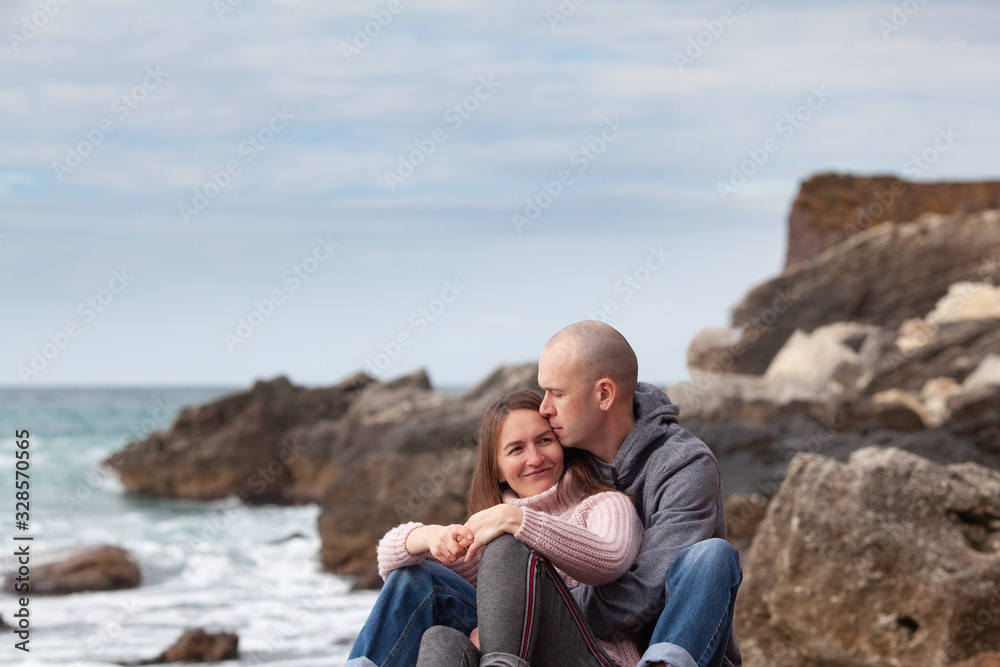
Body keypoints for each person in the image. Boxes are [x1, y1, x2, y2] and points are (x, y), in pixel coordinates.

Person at [346, 390, 645, 667]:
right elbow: (391, 563)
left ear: (562, 446)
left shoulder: (604, 504)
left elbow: (611, 558)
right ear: (497, 470)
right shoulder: (493, 523)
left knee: (507, 546)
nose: (535, 458)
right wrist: (428, 535)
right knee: (439, 635)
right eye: (516, 449)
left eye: (544, 441)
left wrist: (516, 520)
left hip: (593, 657)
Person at [532, 320, 742, 667]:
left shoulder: (685, 464)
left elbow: (641, 595)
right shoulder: (554, 458)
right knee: (421, 582)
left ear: (604, 394)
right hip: (579, 650)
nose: (544, 408)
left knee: (712, 556)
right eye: (543, 392)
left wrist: (543, 612)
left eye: (556, 393)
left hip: (676, 648)